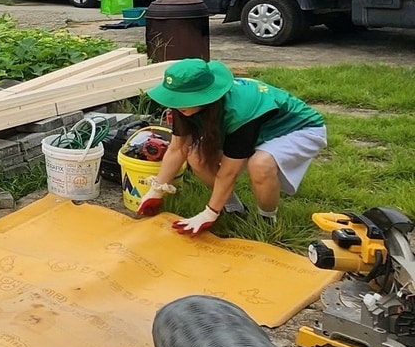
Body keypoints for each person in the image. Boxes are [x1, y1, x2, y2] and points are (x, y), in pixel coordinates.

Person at [135, 57, 326, 235]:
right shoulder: (182, 105)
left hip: (296, 128)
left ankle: (267, 221)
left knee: (260, 164)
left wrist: (210, 213)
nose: (177, 105)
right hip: (252, 129)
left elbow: (229, 172)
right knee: (197, 157)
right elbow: (178, 148)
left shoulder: (240, 111)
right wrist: (156, 190)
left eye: (184, 100)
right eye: (174, 99)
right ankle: (234, 209)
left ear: (204, 96)